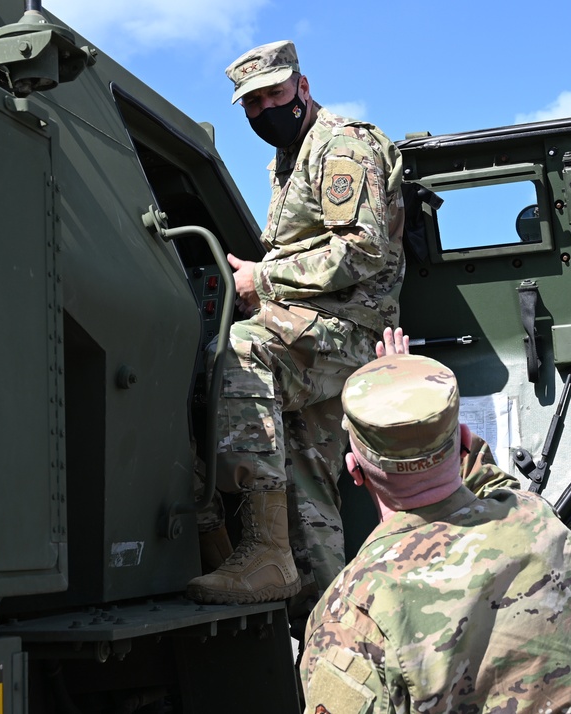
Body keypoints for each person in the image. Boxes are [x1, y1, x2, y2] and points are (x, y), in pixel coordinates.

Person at [186, 40, 405, 606]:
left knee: (237, 351)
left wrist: (266, 280)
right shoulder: (289, 159)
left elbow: (362, 250)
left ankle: (260, 549)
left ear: (302, 88)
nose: (264, 110)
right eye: (252, 104)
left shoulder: (341, 146)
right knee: (309, 498)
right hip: (312, 336)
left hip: (344, 332)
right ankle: (331, 642)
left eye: (274, 95)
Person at [298, 332, 571, 713]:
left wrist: (398, 401)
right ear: (464, 441)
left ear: (354, 471)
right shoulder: (537, 521)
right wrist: (417, 400)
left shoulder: (351, 611)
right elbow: (493, 481)